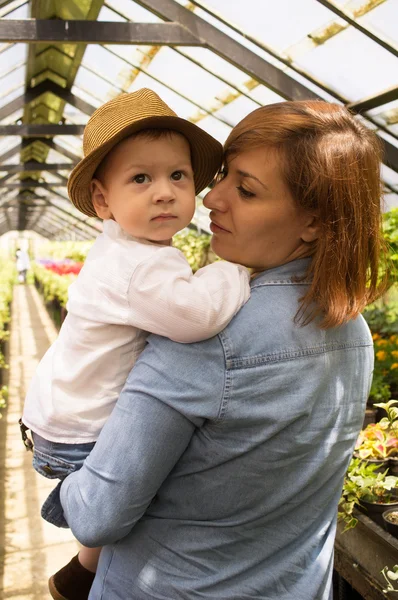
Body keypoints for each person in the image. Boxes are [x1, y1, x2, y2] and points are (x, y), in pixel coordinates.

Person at [59, 99, 386, 600]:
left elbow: (95, 514)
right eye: (223, 176)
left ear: (315, 223)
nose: (212, 199)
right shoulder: (353, 330)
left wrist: (55, 451)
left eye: (246, 189)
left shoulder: (204, 338)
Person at [20, 89, 251, 600]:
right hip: (83, 430)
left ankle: (78, 574)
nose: (164, 192)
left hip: (61, 415)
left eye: (178, 176)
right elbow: (196, 316)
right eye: (140, 179)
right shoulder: (139, 267)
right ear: (103, 201)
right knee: (146, 497)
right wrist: (236, 271)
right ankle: (88, 571)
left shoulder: (127, 250)